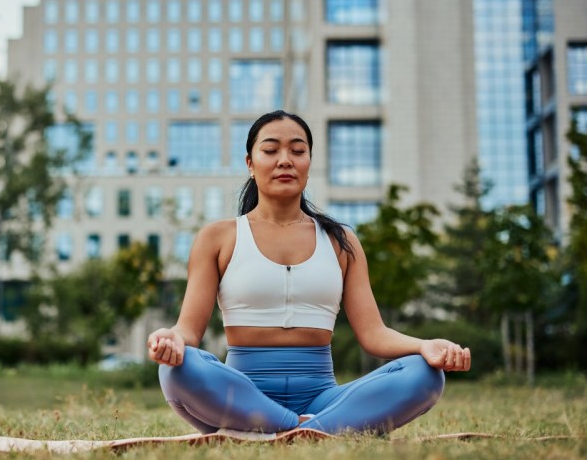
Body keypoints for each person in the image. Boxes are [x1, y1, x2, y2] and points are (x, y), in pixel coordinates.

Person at [147, 110, 471, 435]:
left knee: (426, 374)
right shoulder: (218, 237)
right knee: (176, 369)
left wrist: (425, 346)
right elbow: (188, 330)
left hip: (324, 399)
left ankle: (285, 429)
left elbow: (374, 334)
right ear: (250, 163)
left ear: (309, 162)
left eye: (298, 151)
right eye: (271, 150)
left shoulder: (341, 241)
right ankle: (308, 430)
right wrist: (171, 339)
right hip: (243, 394)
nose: (285, 160)